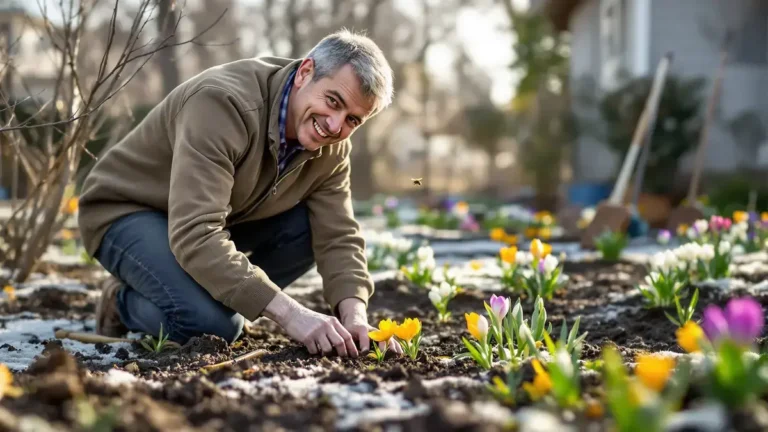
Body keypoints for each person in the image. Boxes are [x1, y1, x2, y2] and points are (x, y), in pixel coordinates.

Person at [78, 30, 402, 358]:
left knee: (310, 228)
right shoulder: (222, 105)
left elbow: (338, 236)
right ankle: (121, 302)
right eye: (333, 101)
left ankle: (214, 297)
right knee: (212, 325)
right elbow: (196, 234)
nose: (334, 126)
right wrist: (292, 315)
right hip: (128, 212)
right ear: (305, 72)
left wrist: (355, 317)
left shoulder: (332, 147)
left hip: (217, 219)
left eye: (352, 119)